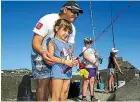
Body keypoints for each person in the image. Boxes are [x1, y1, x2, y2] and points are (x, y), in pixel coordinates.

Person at [31, 1, 83, 101]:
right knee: (44, 82)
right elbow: (35, 41)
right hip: (42, 54)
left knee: (59, 88)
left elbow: (70, 48)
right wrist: (43, 53)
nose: (76, 15)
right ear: (65, 10)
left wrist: (72, 59)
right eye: (74, 12)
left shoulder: (72, 28)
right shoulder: (48, 19)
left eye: (78, 13)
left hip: (61, 61)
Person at [47, 19, 78, 101]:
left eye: (69, 32)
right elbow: (50, 57)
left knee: (64, 94)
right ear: (57, 28)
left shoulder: (69, 45)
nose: (67, 33)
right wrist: (64, 61)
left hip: (68, 72)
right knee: (56, 96)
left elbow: (69, 56)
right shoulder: (52, 42)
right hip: (57, 71)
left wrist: (74, 60)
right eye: (64, 30)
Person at [81, 37, 99, 101]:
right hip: (85, 67)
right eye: (87, 42)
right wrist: (94, 62)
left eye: (90, 42)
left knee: (92, 82)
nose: (89, 43)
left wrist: (96, 55)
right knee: (86, 82)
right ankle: (84, 97)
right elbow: (85, 56)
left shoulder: (93, 49)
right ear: (85, 43)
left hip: (93, 67)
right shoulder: (84, 48)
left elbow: (96, 57)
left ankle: (92, 96)